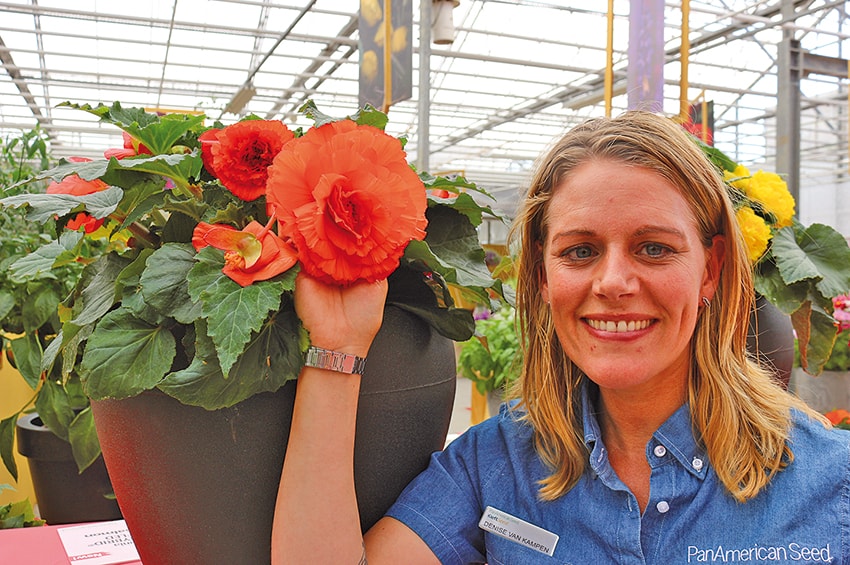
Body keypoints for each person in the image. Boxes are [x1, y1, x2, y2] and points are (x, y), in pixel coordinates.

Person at [272, 111, 850, 564]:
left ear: (711, 269)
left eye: (654, 248)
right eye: (580, 251)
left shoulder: (831, 483)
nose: (614, 282)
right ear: (543, 278)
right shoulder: (498, 463)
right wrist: (338, 346)